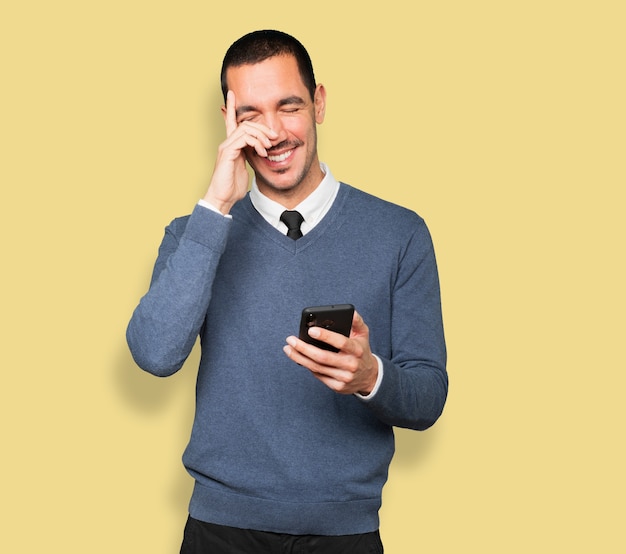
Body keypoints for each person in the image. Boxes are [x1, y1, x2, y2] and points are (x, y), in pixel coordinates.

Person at [127, 29, 447, 553]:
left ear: (319, 103)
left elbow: (428, 397)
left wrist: (371, 377)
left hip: (345, 535)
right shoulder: (196, 232)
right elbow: (154, 355)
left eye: (289, 106)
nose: (273, 132)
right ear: (229, 122)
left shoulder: (400, 234)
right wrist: (214, 206)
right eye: (251, 114)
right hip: (219, 530)